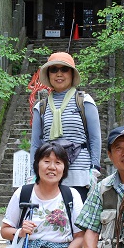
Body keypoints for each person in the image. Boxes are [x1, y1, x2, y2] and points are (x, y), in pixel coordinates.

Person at [30, 51, 101, 202]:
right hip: (50, 173)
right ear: (48, 74)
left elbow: (95, 138)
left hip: (79, 173)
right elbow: (36, 143)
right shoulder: (41, 107)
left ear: (72, 73)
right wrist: (33, 172)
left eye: (64, 69)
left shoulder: (84, 101)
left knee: (77, 222)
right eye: (54, 70)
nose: (59, 74)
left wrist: (95, 168)